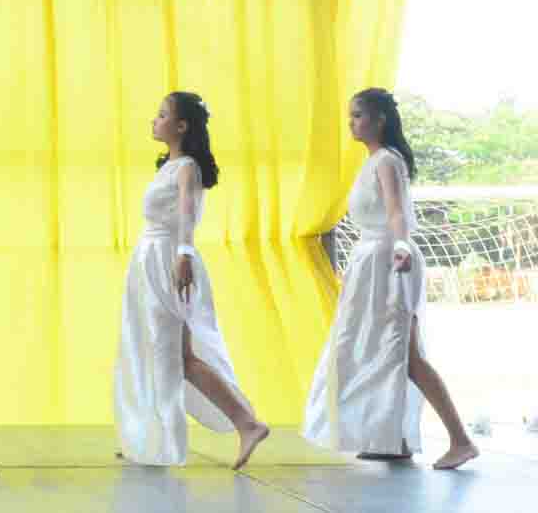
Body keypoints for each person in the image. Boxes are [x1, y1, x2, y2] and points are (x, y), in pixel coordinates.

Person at [302, 88, 479, 470]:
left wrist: (400, 245)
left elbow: (397, 212)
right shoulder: (374, 161)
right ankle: (395, 440)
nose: (351, 123)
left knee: (405, 353)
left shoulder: (386, 160)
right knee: (383, 351)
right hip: (371, 261)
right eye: (350, 116)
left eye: (358, 115)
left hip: (389, 261)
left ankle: (461, 440)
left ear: (380, 119)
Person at [114, 92, 269, 468]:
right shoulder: (168, 167)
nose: (154, 120)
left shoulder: (186, 168)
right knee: (168, 351)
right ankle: (237, 424)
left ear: (181, 126)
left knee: (169, 352)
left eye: (162, 115)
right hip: (152, 258)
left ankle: (167, 439)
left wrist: (183, 254)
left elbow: (187, 214)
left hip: (168, 258)